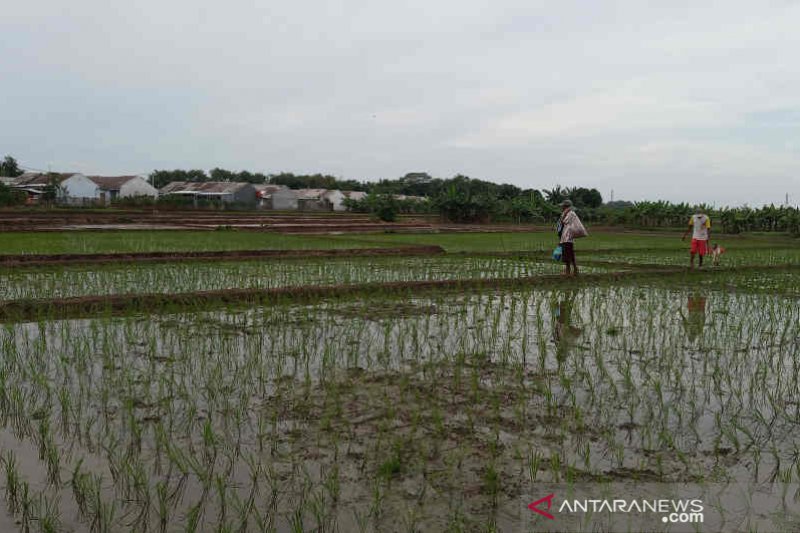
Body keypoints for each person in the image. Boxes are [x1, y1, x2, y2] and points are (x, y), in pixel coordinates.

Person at [557, 199, 587, 276]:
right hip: (565, 237)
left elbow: (564, 221)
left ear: (565, 206)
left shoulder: (570, 213)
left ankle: (568, 271)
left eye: (562, 206)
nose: (561, 208)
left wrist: (563, 215)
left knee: (567, 256)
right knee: (570, 255)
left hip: (568, 238)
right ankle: (574, 270)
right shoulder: (567, 213)